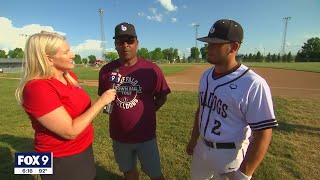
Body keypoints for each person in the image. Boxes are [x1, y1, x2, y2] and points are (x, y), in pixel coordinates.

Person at [15, 31, 116, 180]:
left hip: (83, 148)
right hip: (60, 158)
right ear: (49, 59)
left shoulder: (69, 77)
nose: (73, 55)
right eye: (66, 52)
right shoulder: (37, 88)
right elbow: (70, 131)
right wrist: (101, 102)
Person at [186, 19, 278, 180]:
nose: (209, 47)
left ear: (234, 47)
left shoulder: (253, 83)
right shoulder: (206, 75)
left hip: (230, 155)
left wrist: (244, 174)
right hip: (202, 148)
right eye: (209, 42)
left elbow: (263, 133)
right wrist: (194, 139)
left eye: (216, 43)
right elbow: (201, 110)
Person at [98, 22, 170, 180]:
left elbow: (162, 96)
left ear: (137, 43)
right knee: (129, 172)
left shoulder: (151, 69)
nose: (125, 45)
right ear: (115, 44)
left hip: (146, 135)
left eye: (130, 41)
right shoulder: (106, 71)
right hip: (119, 135)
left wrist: (149, 110)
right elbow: (104, 99)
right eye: (120, 41)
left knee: (156, 174)